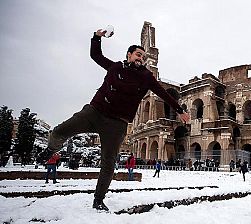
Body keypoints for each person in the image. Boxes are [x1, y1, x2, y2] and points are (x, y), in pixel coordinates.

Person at [37, 27, 190, 211]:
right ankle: (51, 149)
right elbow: (96, 56)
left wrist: (180, 110)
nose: (140, 58)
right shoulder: (116, 66)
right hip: (95, 112)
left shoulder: (146, 77)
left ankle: (98, 200)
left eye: (143, 56)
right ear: (129, 55)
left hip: (117, 124)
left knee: (108, 164)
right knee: (61, 130)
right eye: (137, 55)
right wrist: (96, 37)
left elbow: (164, 94)